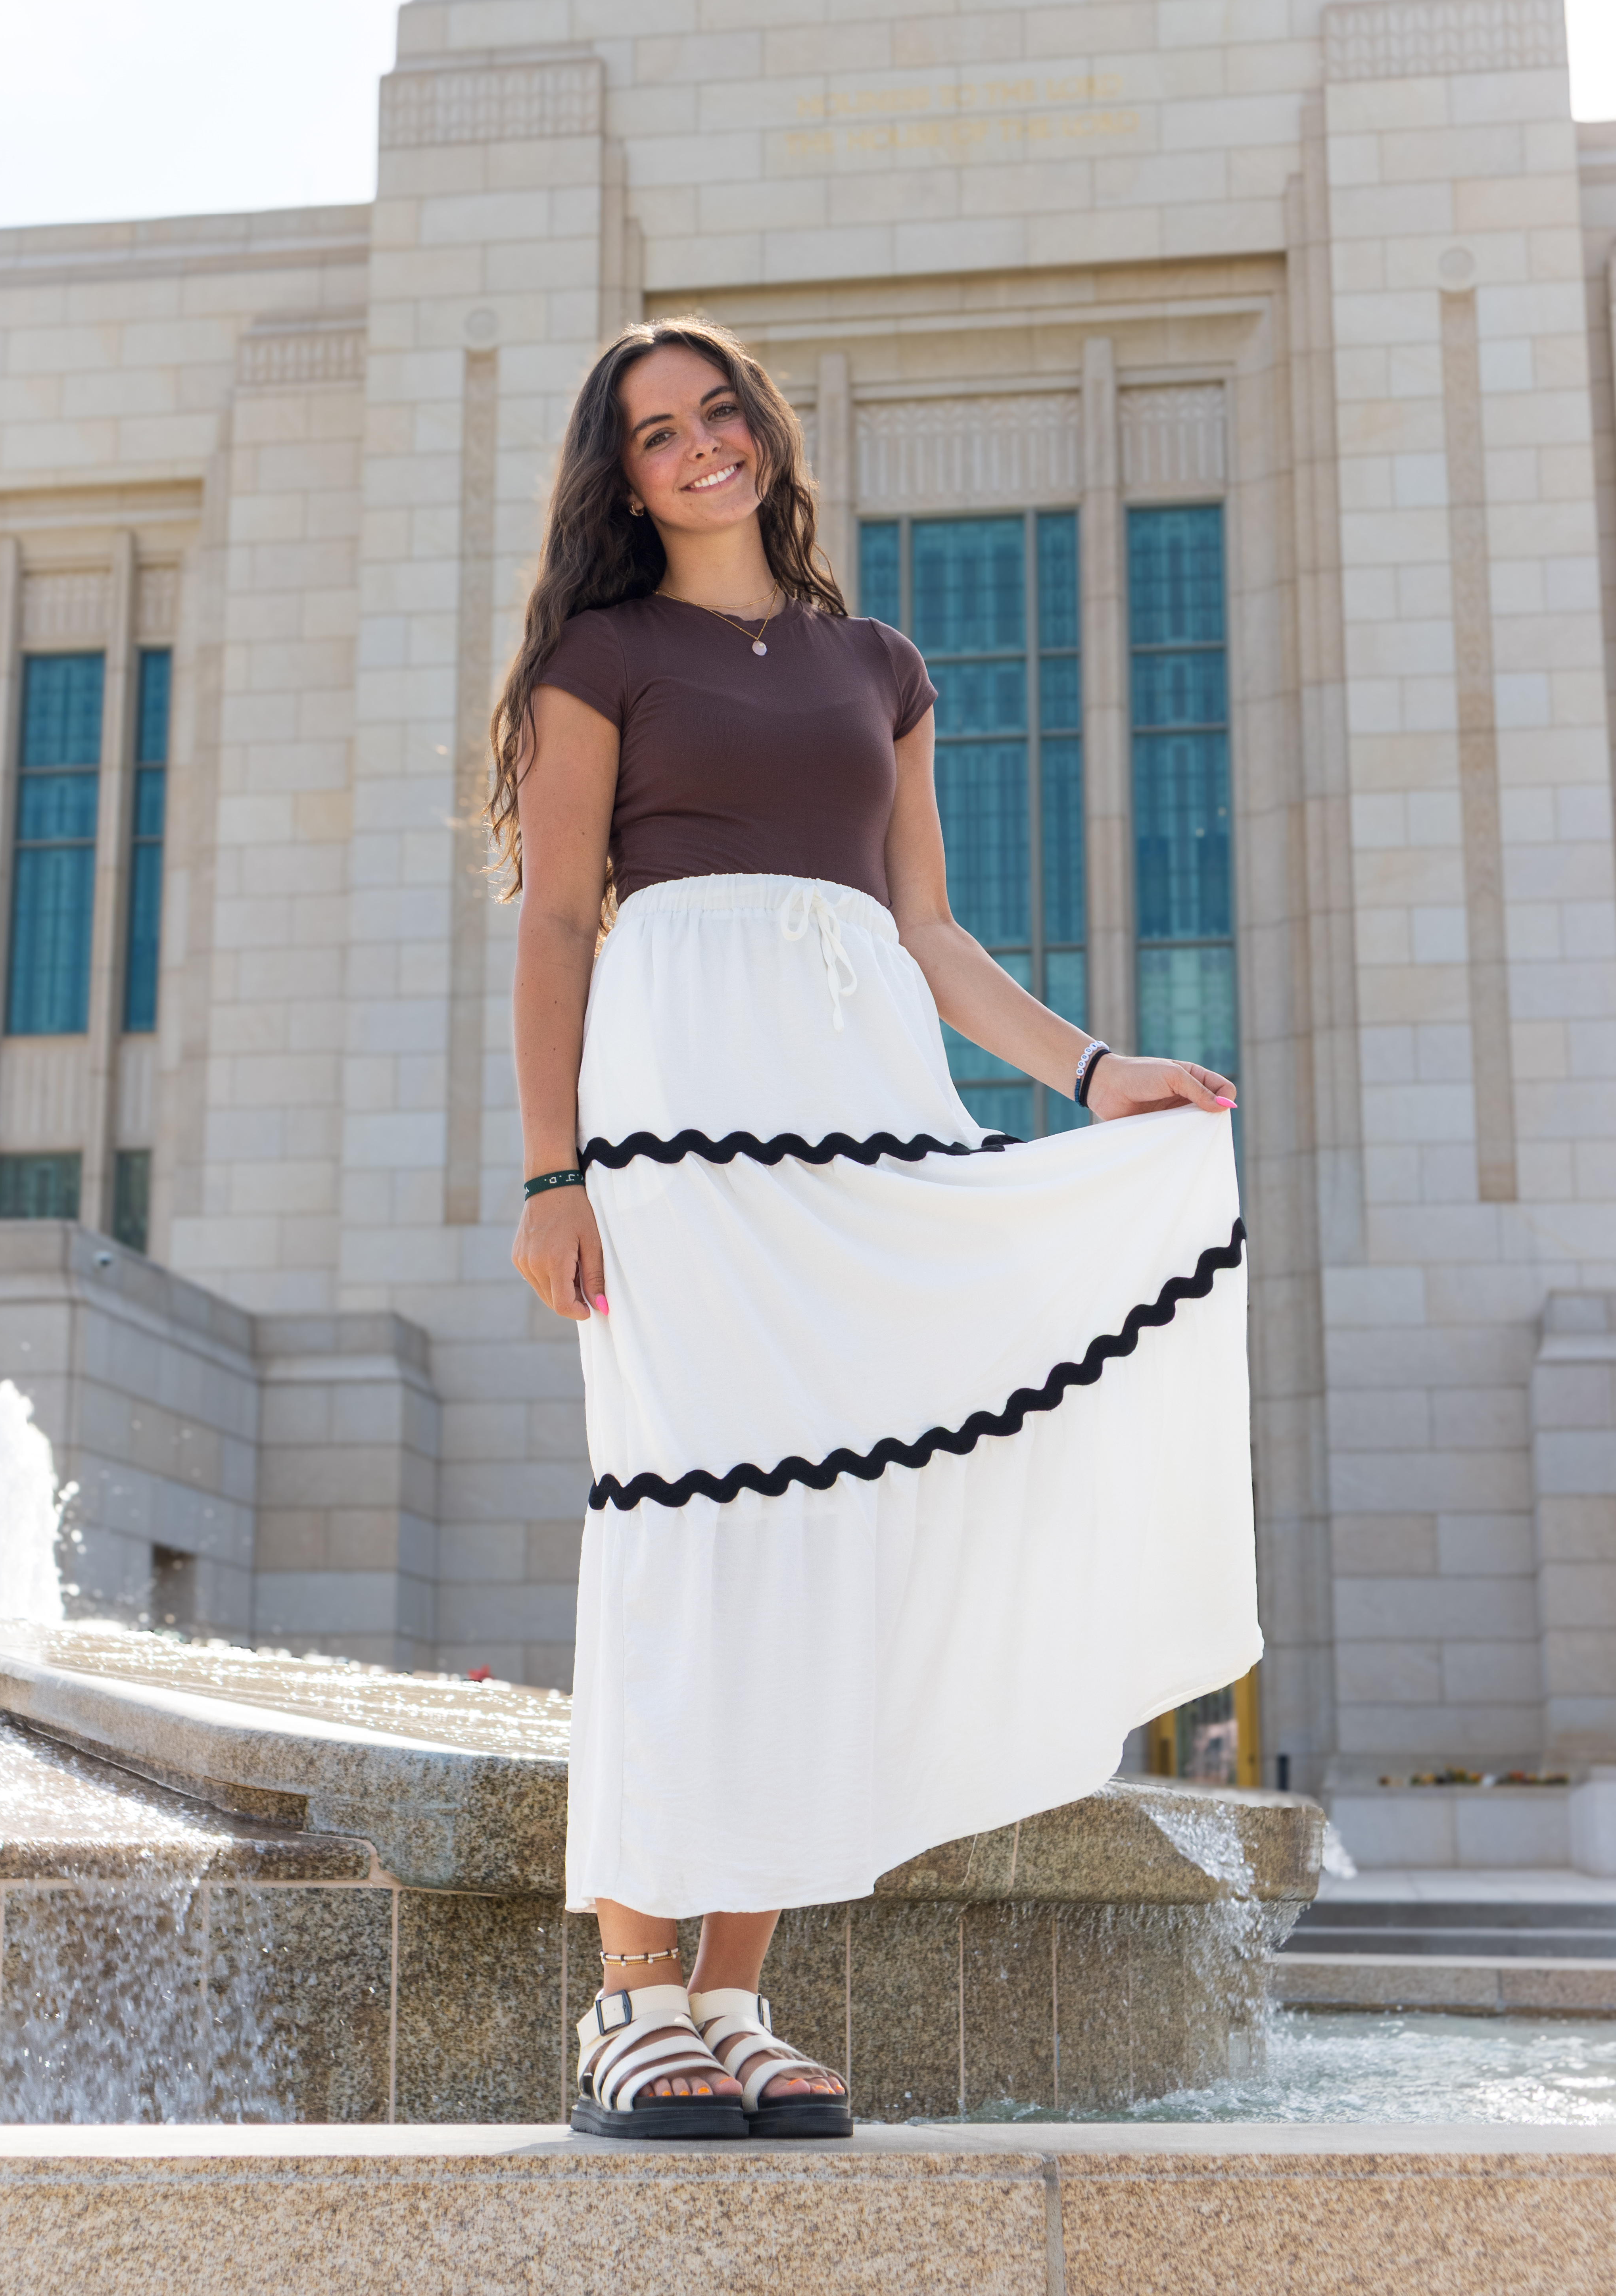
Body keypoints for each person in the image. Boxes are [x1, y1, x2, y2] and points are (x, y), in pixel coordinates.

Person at [489, 317, 1259, 2140]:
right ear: (620, 477)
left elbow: (924, 929)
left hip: (864, 1114)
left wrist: (1086, 1070)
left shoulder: (877, 663)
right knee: (686, 1523)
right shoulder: (594, 657)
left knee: (836, 1530)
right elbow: (553, 928)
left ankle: (737, 1988)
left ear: (762, 429)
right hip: (680, 1137)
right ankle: (625, 1997)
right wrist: (547, 1170)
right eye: (656, 432)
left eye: (716, 411)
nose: (697, 446)